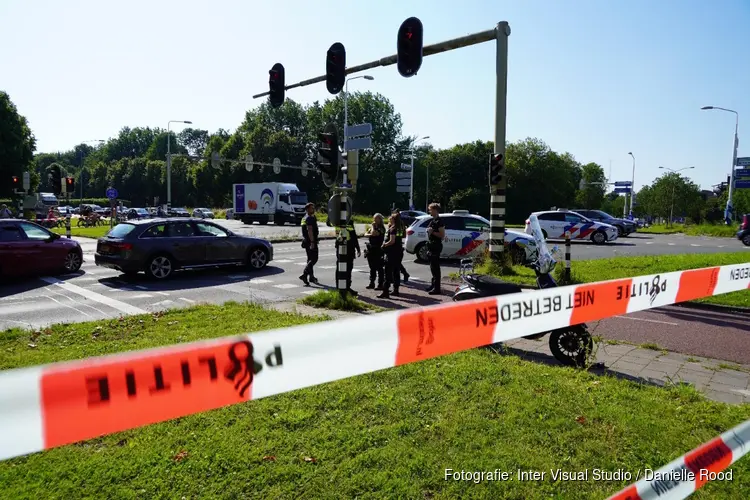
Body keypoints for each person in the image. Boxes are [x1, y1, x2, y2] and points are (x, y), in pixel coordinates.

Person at [378, 212, 405, 299]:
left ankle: (385, 291)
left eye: (391, 218)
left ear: (393, 219)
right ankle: (396, 290)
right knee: (396, 271)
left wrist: (384, 245)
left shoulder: (393, 229)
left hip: (392, 253)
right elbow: (402, 237)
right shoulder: (400, 228)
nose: (389, 219)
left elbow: (392, 241)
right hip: (399, 252)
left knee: (388, 272)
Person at [426, 202, 446, 295]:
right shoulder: (432, 221)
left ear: (435, 210)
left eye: (430, 209)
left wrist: (432, 232)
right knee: (432, 266)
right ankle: (433, 285)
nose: (429, 211)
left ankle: (437, 288)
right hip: (431, 246)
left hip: (436, 246)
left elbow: (442, 235)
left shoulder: (439, 221)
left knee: (435, 267)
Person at [299, 202, 319, 286]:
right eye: (312, 208)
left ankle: (311, 277)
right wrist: (313, 242)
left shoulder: (305, 217)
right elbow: (310, 230)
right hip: (310, 241)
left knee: (310, 259)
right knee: (314, 259)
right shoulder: (309, 218)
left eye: (313, 208)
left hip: (306, 241)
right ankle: (305, 274)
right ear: (307, 209)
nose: (313, 209)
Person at [365, 214, 385, 290]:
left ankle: (380, 284)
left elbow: (374, 233)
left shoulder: (381, 228)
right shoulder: (372, 227)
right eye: (374, 219)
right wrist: (370, 233)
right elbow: (366, 234)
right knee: (372, 267)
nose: (375, 220)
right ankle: (372, 283)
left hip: (377, 249)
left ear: (380, 220)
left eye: (377, 219)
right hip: (370, 249)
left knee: (379, 268)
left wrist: (372, 228)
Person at [341, 219, 361, 295]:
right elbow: (353, 237)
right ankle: (345, 288)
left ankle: (344, 288)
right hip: (348, 249)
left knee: (343, 269)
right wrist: (357, 248)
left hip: (342, 249)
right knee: (347, 269)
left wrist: (358, 248)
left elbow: (353, 236)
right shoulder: (348, 221)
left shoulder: (337, 219)